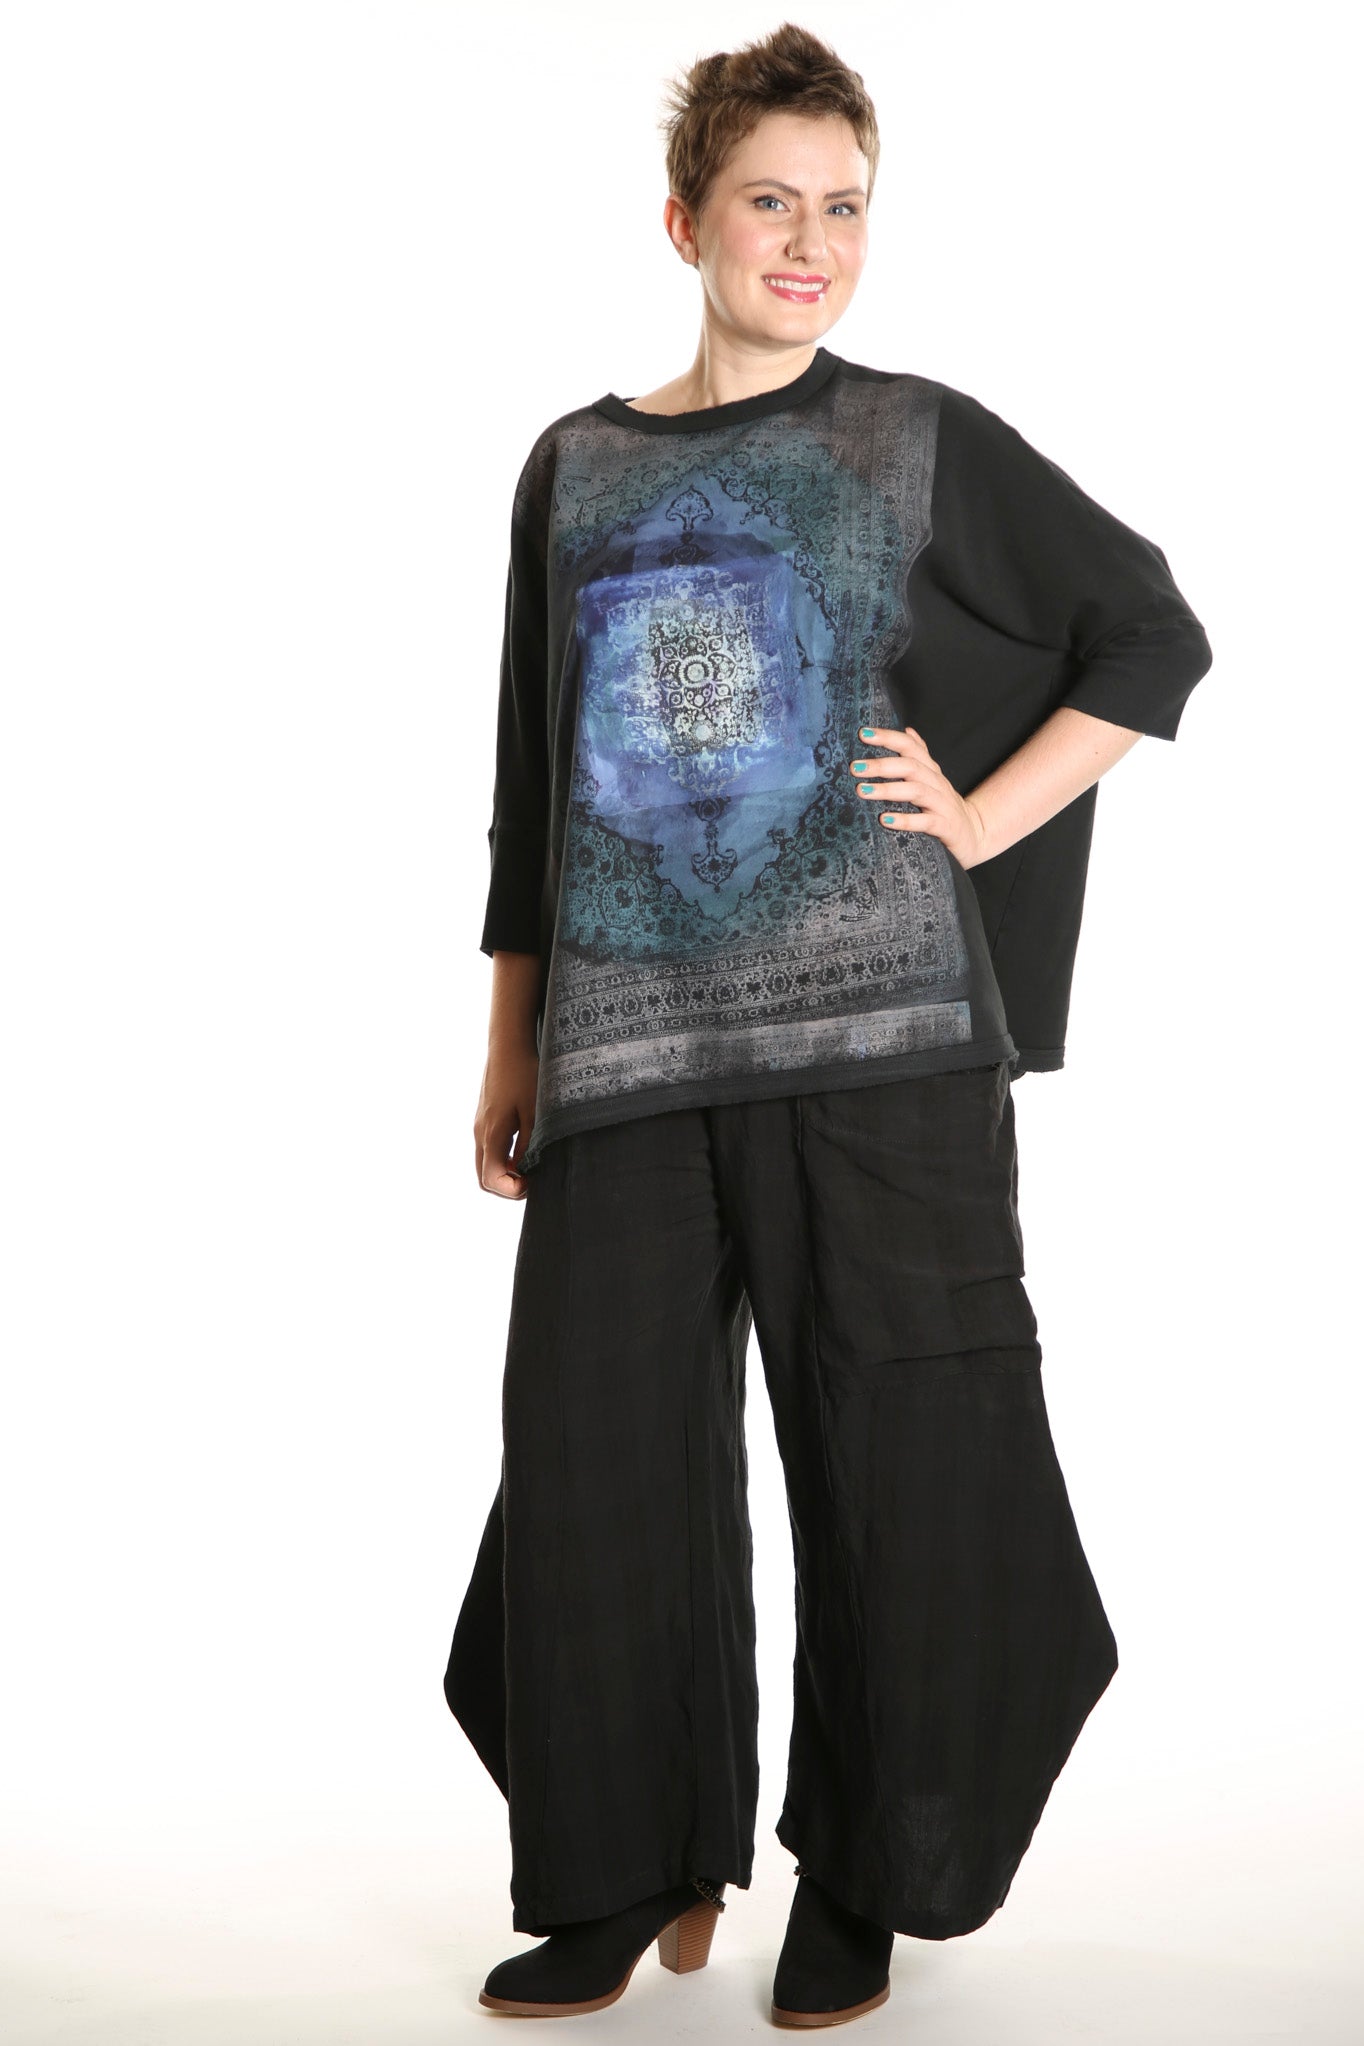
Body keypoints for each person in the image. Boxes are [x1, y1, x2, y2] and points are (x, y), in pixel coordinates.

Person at [444, 20, 1213, 2028]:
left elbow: (1147, 629)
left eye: (845, 208)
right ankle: (625, 1871)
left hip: (884, 1055)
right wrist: (514, 1039)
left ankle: (864, 1872)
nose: (809, 243)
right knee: (595, 1459)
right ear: (684, 220)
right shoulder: (572, 464)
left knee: (901, 1453)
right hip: (626, 1054)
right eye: (770, 202)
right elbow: (535, 778)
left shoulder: (917, 433)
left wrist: (980, 818)